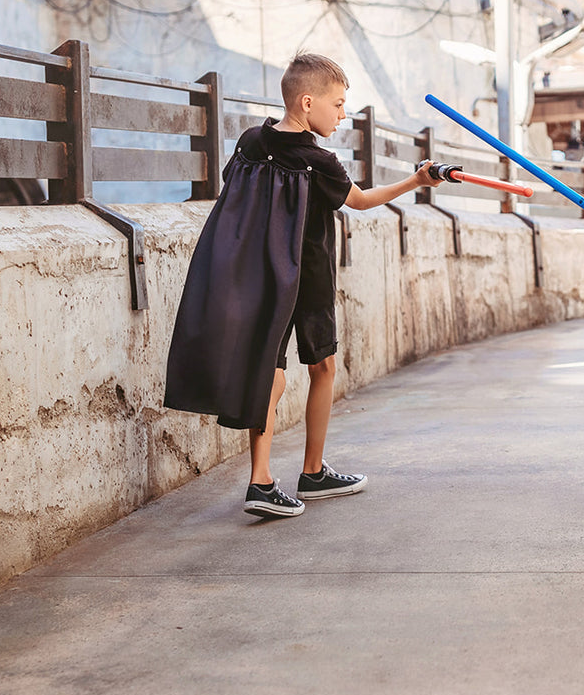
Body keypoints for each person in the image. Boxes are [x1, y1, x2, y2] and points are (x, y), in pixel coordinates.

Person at [164, 53, 434, 519]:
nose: (343, 113)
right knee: (322, 366)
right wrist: (417, 179)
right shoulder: (319, 159)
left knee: (268, 367)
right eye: (338, 104)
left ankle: (261, 479)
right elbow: (363, 201)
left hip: (260, 272)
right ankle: (311, 472)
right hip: (307, 274)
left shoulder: (251, 142)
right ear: (308, 103)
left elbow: (235, 197)